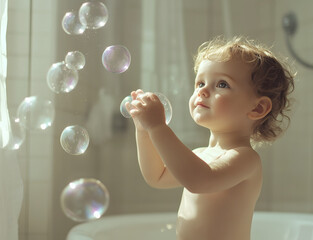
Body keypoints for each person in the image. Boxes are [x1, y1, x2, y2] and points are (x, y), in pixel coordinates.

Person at [126, 36, 295, 240]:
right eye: (200, 83)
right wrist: (143, 131)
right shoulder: (199, 156)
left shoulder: (245, 159)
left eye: (222, 84)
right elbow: (156, 177)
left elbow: (198, 180)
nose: (203, 91)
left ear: (257, 108)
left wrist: (157, 127)